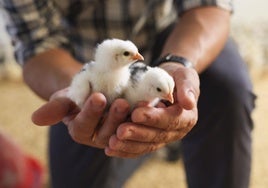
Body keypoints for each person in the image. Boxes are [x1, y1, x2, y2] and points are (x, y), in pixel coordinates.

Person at [0, 0, 256, 187]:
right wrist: (83, 90)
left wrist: (177, 63)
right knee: (81, 162)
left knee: (228, 89)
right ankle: (150, 145)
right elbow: (37, 44)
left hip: (174, 34)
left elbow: (209, 6)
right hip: (80, 59)